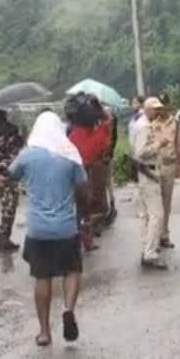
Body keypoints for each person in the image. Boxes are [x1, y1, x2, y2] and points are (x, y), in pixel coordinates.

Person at [9, 112, 88, 347]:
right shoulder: (70, 154)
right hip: (66, 226)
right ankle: (68, 309)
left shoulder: (28, 154)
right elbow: (84, 187)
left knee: (42, 278)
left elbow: (10, 175)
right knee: (71, 270)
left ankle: (44, 332)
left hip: (38, 228)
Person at [132, 98, 180, 270]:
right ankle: (150, 253)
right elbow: (140, 153)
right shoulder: (144, 127)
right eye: (154, 109)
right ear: (147, 109)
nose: (157, 112)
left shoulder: (150, 124)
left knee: (155, 214)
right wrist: (158, 144)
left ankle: (149, 247)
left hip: (154, 170)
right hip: (149, 171)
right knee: (156, 214)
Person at [67, 98, 112, 249]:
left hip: (73, 173)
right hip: (91, 173)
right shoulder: (98, 134)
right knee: (97, 209)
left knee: (79, 207)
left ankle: (80, 238)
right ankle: (87, 234)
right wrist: (98, 106)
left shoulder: (73, 134)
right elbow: (108, 120)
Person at [0, 109, 26, 252]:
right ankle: (3, 239)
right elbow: (20, 152)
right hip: (9, 174)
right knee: (9, 206)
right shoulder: (12, 131)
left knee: (6, 206)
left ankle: (4, 238)